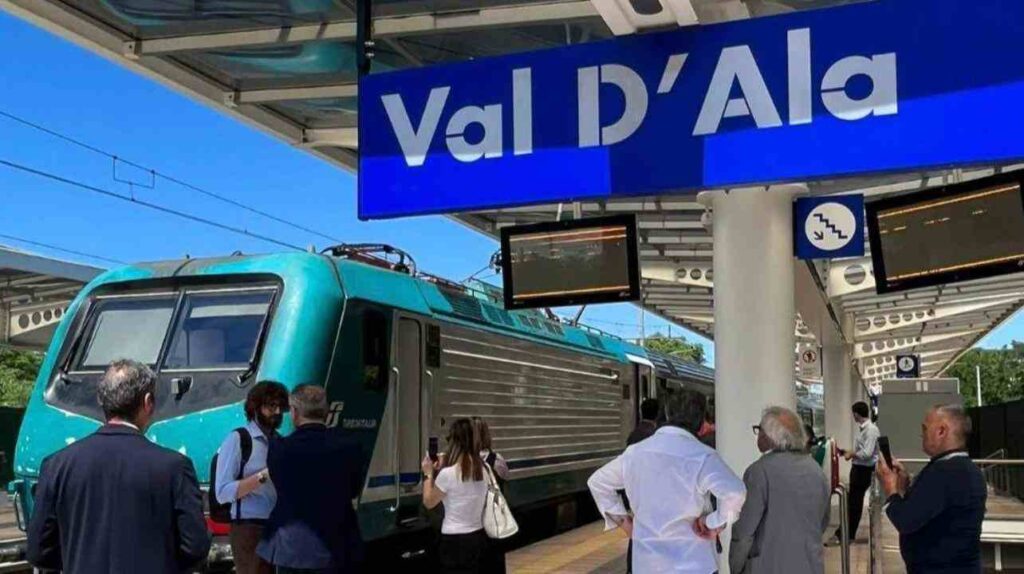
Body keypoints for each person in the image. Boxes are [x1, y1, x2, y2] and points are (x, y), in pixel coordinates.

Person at [26, 359, 210, 573]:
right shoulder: (175, 467)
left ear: (100, 400)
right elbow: (195, 548)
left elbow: (38, 551)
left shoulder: (56, 466)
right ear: (148, 402)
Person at [587, 391, 746, 573]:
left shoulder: (635, 453)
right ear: (701, 424)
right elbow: (735, 493)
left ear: (666, 415)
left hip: (647, 565)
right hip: (694, 564)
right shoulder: (703, 456)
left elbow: (597, 482)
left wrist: (626, 524)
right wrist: (713, 523)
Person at [257, 384, 365, 573]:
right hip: (337, 546)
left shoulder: (279, 448)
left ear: (294, 413)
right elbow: (354, 489)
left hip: (290, 548)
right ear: (327, 411)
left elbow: (279, 486)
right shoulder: (350, 447)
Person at [877, 404, 986, 573]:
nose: (922, 434)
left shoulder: (946, 472)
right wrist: (905, 487)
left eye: (925, 428)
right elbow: (929, 509)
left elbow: (906, 520)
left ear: (941, 431)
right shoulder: (963, 469)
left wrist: (890, 489)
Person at [730, 407, 830, 574]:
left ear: (771, 436)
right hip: (809, 565)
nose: (759, 435)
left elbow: (744, 532)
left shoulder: (759, 471)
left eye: (760, 430)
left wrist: (736, 567)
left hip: (768, 566)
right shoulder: (816, 470)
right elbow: (823, 521)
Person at [215, 380, 289, 574]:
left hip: (278, 527)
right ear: (255, 408)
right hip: (249, 528)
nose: (277, 412)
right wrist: (263, 476)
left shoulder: (280, 442)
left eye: (281, 406)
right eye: (271, 406)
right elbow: (222, 493)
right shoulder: (239, 440)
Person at [422, 418, 489, 574]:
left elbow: (429, 502)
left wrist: (428, 474)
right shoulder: (483, 471)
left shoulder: (448, 474)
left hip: (453, 542)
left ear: (454, 443)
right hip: (477, 538)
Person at [826, 400, 879, 546]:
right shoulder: (865, 429)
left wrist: (852, 454)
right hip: (859, 469)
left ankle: (846, 535)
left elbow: (867, 453)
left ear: (856, 414)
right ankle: (845, 533)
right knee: (852, 503)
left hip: (863, 471)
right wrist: (845, 452)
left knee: (854, 504)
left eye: (853, 413)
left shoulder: (871, 430)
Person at [472, 417, 509, 574]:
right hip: (493, 525)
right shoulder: (497, 460)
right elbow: (506, 479)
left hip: (471, 527)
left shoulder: (461, 464)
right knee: (494, 564)